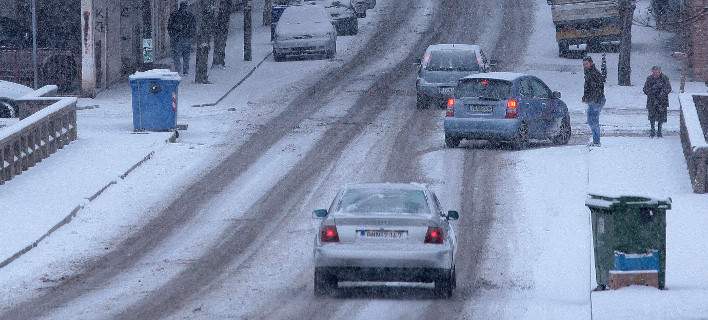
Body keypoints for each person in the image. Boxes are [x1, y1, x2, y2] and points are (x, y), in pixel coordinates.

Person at [582, 56, 606, 147]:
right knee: (591, 120)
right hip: (593, 100)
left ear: (591, 63)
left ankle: (596, 141)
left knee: (593, 121)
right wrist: (585, 97)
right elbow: (588, 88)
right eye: (584, 64)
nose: (585, 66)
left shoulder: (594, 73)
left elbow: (599, 88)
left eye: (586, 64)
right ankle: (596, 140)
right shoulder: (589, 73)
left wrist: (593, 99)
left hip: (596, 100)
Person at [168, 2, 196, 75]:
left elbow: (169, 27)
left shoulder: (175, 15)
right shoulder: (190, 15)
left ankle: (179, 69)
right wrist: (190, 35)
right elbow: (193, 27)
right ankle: (184, 71)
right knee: (185, 56)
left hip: (179, 38)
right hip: (183, 38)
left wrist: (173, 35)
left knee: (178, 55)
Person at [643, 66, 672, 138]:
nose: (655, 73)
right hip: (652, 100)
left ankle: (659, 131)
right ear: (652, 71)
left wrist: (662, 93)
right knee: (652, 116)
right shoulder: (649, 78)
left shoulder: (665, 78)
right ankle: (652, 131)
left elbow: (668, 88)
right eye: (654, 71)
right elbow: (645, 89)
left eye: (657, 71)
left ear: (660, 71)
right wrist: (651, 92)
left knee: (661, 116)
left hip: (662, 101)